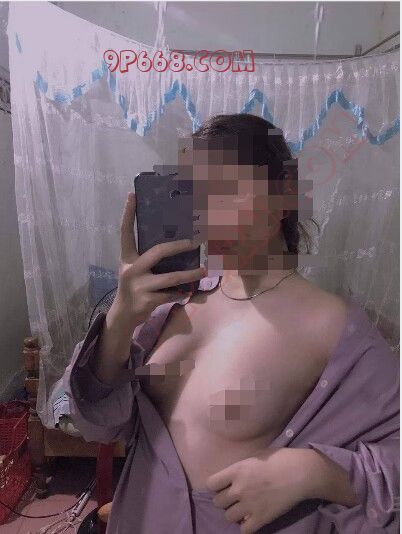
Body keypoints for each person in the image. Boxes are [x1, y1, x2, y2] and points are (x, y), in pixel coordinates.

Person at [63, 114, 399, 533]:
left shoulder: (331, 325)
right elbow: (97, 424)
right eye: (195, 194)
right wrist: (119, 319)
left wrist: (314, 471)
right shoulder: (172, 305)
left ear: (285, 193)